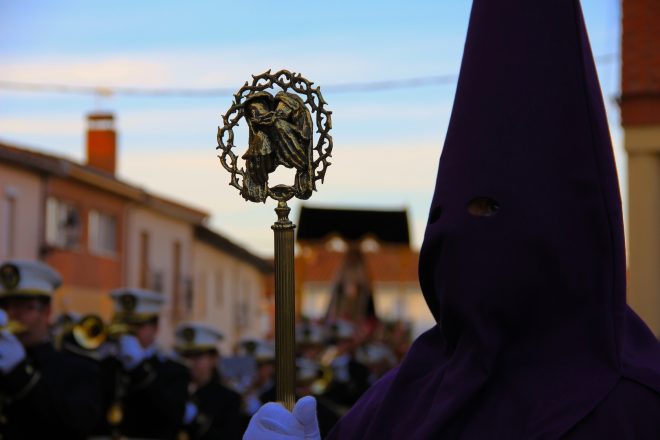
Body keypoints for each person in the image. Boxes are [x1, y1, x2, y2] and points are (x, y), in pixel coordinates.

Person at [244, 0, 660, 438]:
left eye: (492, 208)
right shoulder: (398, 400)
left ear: (566, 226)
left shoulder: (634, 408)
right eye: (447, 211)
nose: (458, 234)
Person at [0, 260, 102, 439]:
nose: (12, 315)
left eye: (25, 307)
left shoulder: (78, 368)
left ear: (47, 312)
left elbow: (76, 425)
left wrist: (20, 373)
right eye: (5, 307)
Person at [95, 288, 189, 439]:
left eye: (136, 325)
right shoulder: (109, 362)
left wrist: (138, 366)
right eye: (124, 324)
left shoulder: (174, 369)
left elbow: (173, 415)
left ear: (155, 328)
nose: (128, 332)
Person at [175, 322, 243, 440]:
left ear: (214, 359)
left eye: (198, 356)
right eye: (187, 355)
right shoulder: (174, 390)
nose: (191, 361)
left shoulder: (229, 399)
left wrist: (195, 421)